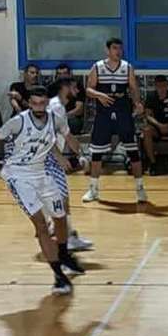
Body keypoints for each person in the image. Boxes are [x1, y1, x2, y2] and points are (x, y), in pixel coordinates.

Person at [0, 85, 86, 293]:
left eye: (42, 103)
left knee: (60, 218)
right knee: (41, 226)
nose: (38, 107)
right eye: (34, 103)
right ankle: (59, 276)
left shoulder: (56, 120)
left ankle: (63, 254)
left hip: (42, 172)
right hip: (18, 176)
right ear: (29, 103)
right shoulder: (18, 122)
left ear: (46, 103)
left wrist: (82, 154)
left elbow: (70, 140)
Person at [83, 38, 147, 204]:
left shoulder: (127, 67)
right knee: (96, 153)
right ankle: (93, 189)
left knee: (133, 151)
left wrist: (137, 103)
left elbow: (133, 88)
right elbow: (88, 89)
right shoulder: (98, 67)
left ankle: (140, 189)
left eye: (120, 48)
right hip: (104, 113)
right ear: (107, 50)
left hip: (123, 111)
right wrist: (99, 95)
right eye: (115, 48)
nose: (118, 51)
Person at [45, 77, 94, 252]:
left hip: (48, 159)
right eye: (74, 87)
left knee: (60, 199)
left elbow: (67, 136)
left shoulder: (58, 107)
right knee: (60, 200)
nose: (77, 91)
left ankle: (65, 234)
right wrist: (59, 156)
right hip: (44, 159)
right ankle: (64, 239)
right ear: (64, 88)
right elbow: (45, 136)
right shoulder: (55, 107)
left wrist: (81, 154)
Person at [141, 75, 168, 174]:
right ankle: (153, 163)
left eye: (163, 86)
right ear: (155, 86)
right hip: (157, 126)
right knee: (146, 131)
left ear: (167, 85)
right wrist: (159, 125)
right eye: (159, 86)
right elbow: (147, 115)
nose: (161, 88)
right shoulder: (151, 96)